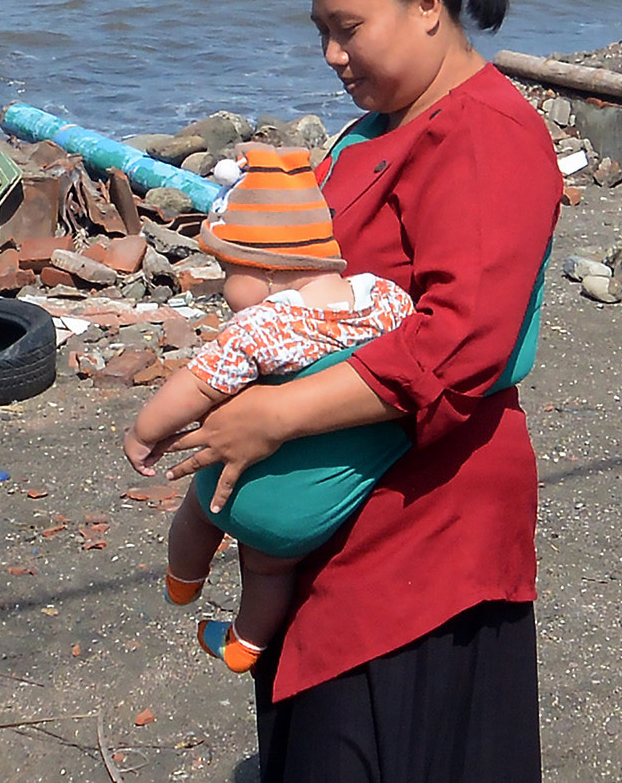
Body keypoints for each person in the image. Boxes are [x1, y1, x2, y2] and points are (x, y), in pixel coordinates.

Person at [166, 0, 558, 783]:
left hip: (427, 521)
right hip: (332, 507)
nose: (333, 57)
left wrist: (276, 416)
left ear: (429, 5)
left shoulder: (482, 134)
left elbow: (464, 341)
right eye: (321, 34)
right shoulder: (376, 129)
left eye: (350, 29)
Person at [129, 144, 415, 672]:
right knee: (268, 572)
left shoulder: (263, 326)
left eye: (226, 271)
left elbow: (198, 386)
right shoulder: (387, 300)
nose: (225, 290)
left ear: (262, 272)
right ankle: (245, 645)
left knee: (197, 512)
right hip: (308, 510)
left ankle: (183, 579)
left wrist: (144, 433)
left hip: (248, 493)